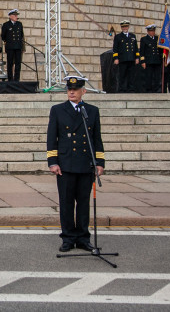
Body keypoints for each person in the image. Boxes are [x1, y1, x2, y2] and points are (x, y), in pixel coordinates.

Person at [47, 75, 105, 253]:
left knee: (83, 203)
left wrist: (99, 162)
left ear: (83, 91)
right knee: (66, 203)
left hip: (85, 163)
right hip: (66, 164)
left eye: (76, 89)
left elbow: (96, 138)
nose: (71, 92)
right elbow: (52, 137)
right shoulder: (58, 110)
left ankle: (82, 237)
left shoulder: (92, 111)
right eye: (69, 89)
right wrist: (52, 161)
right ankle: (68, 238)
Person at [112, 20, 139, 93]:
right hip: (123, 59)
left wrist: (137, 57)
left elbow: (136, 48)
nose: (125, 28)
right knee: (123, 75)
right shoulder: (118, 37)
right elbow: (115, 49)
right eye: (123, 27)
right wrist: (116, 58)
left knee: (131, 75)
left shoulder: (132, 36)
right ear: (121, 27)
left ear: (128, 27)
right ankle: (123, 89)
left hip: (131, 58)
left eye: (126, 26)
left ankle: (131, 89)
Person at [1, 9, 25, 82]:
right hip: (10, 47)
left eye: (16, 15)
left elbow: (21, 36)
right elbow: (3, 36)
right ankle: (10, 79)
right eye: (15, 15)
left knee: (18, 63)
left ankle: (17, 79)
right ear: (10, 16)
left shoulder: (19, 24)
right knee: (10, 63)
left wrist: (22, 47)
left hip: (18, 46)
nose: (16, 17)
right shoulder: (6, 25)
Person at [139, 24, 162, 93]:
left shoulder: (158, 39)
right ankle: (149, 90)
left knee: (157, 77)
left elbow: (160, 50)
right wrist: (143, 61)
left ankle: (157, 89)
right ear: (148, 32)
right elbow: (142, 52)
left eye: (153, 31)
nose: (152, 32)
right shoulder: (144, 39)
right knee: (149, 77)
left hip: (157, 61)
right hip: (149, 61)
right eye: (151, 31)